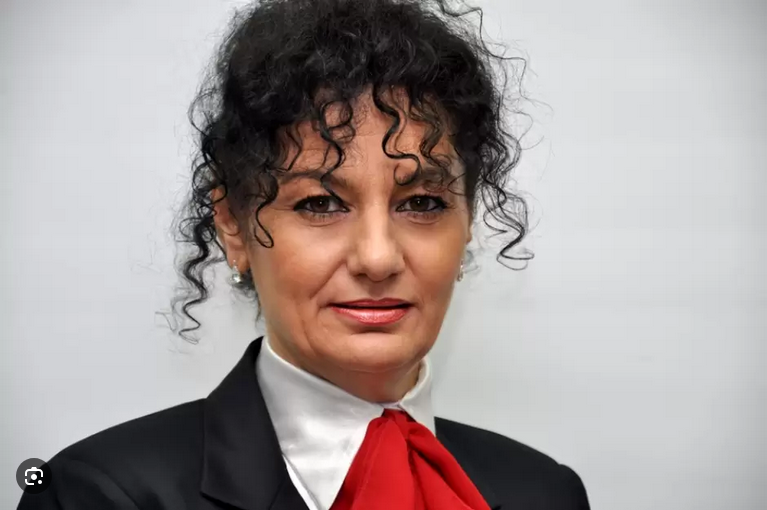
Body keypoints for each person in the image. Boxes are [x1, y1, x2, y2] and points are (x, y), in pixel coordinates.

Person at [18, 0, 590, 508]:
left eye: (422, 202)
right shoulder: (95, 492)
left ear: (467, 223)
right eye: (320, 203)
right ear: (233, 225)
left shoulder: (545, 492)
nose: (377, 258)